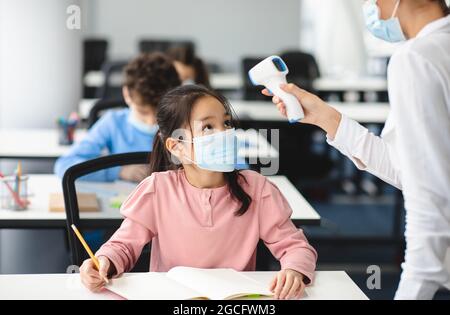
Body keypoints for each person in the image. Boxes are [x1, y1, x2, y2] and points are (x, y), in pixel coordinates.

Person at [263, 0, 450, 299]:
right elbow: (411, 169)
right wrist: (324, 116)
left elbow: (428, 195)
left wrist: (415, 288)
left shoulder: (417, 58)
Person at [79, 85, 317, 300]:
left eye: (226, 123)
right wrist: (104, 262)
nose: (223, 133)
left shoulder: (257, 188)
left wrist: (294, 270)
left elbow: (295, 247)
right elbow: (123, 246)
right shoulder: (157, 189)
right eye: (208, 127)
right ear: (176, 146)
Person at [54, 52, 181, 182]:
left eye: (160, 113)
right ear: (126, 94)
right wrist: (119, 171)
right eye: (143, 112)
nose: (151, 122)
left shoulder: (183, 125)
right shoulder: (113, 123)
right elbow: (64, 165)